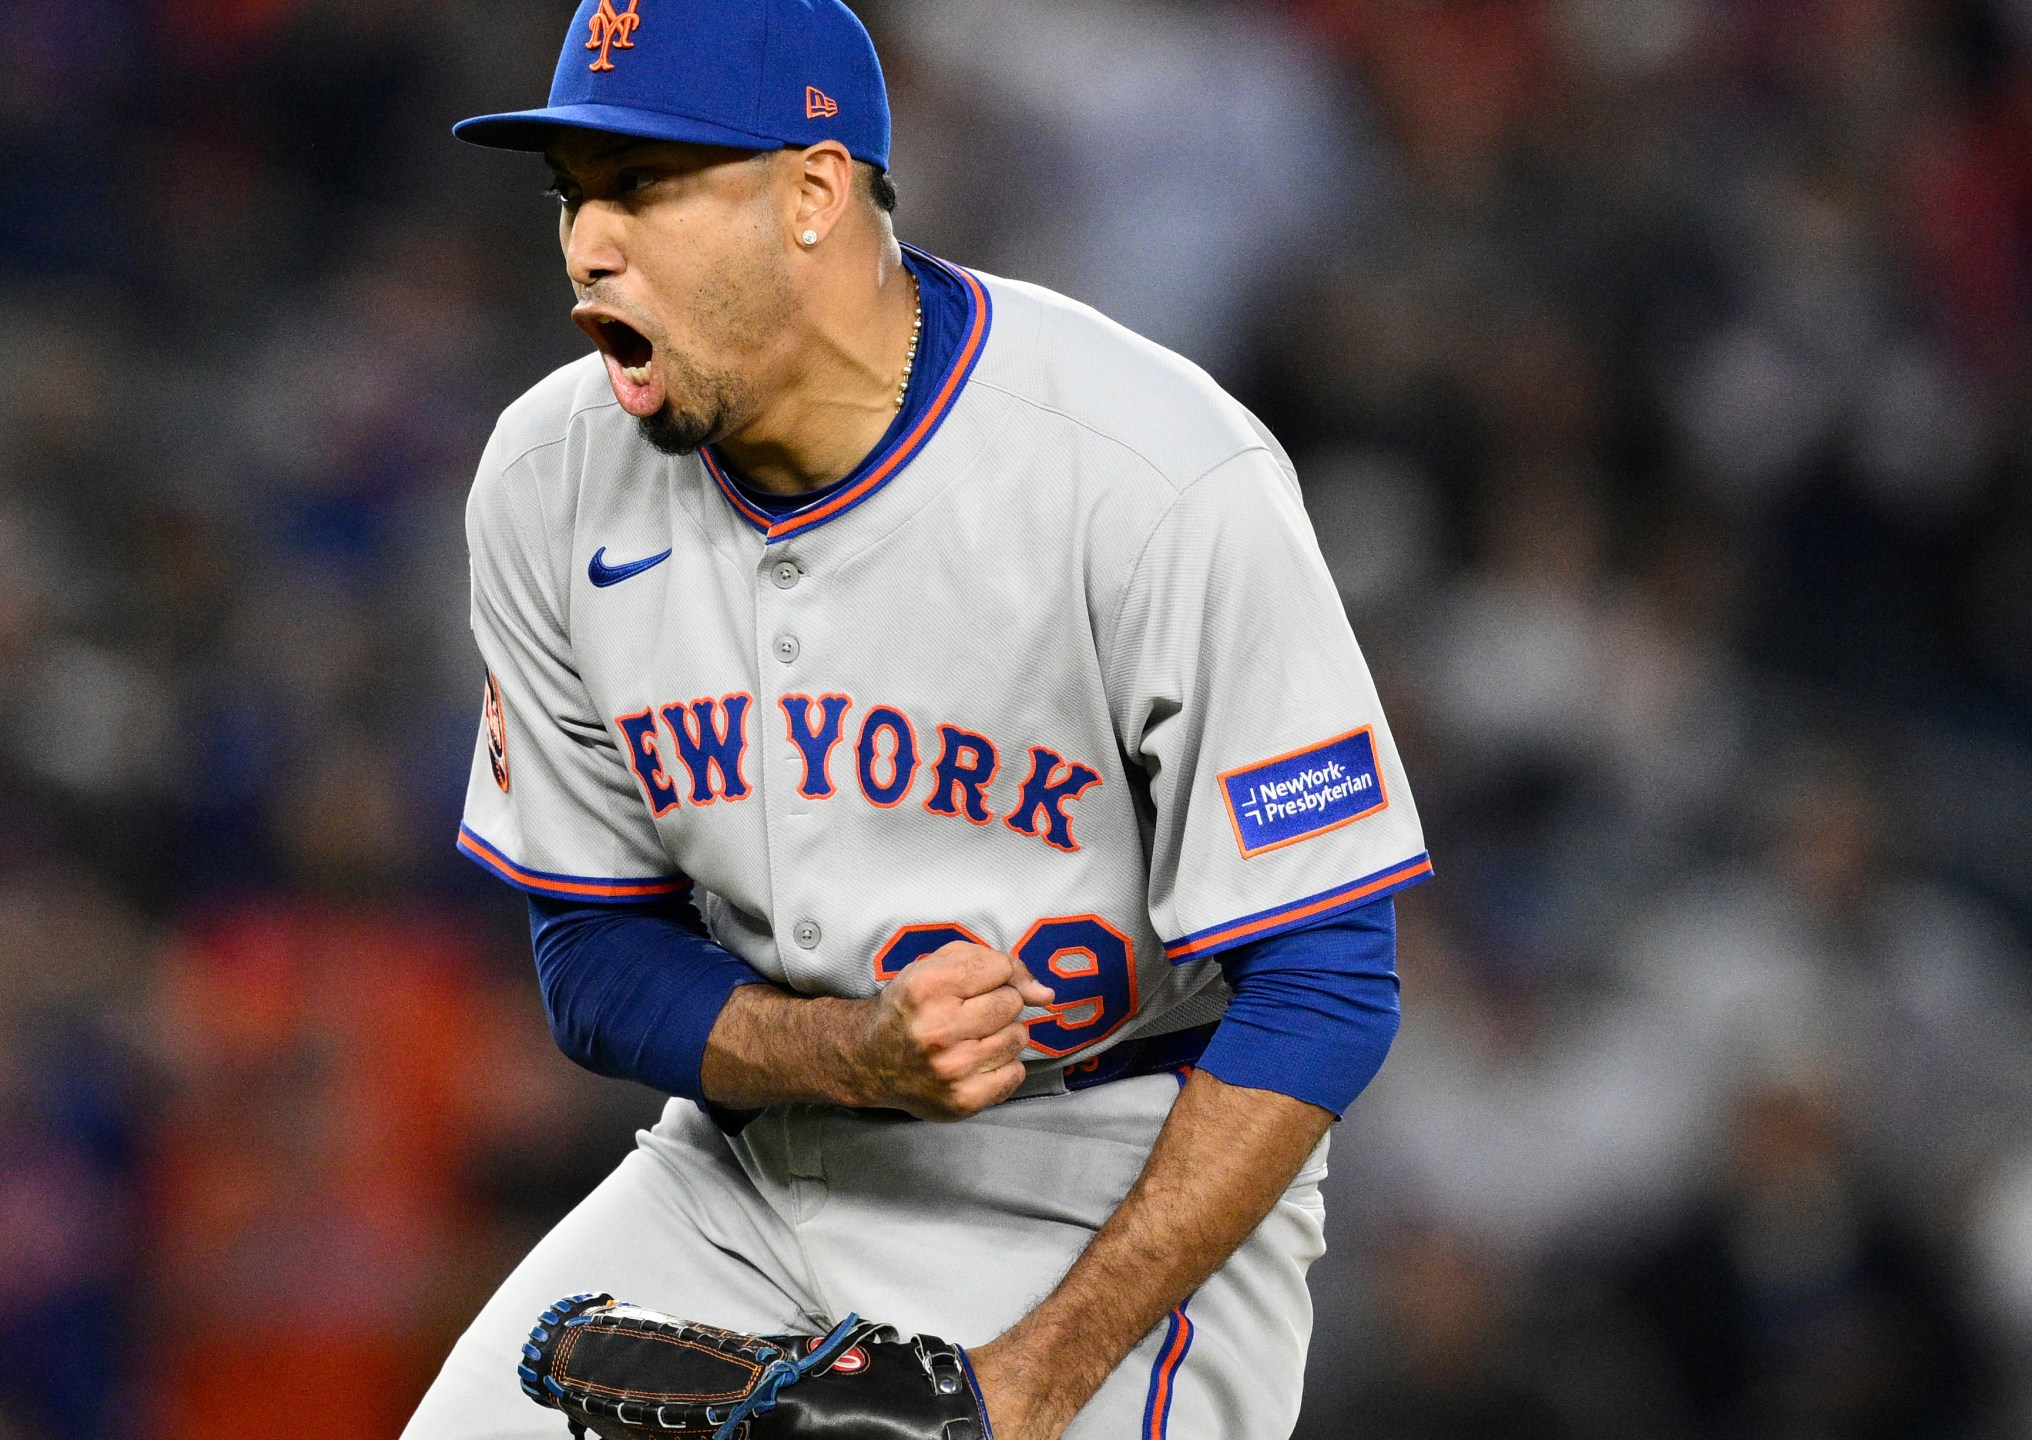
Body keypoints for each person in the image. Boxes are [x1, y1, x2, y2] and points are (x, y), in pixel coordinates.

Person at [410, 2, 1429, 1436]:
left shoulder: (1148, 476)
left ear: (816, 192)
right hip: (747, 1170)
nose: (589, 243)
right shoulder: (546, 479)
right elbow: (591, 957)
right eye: (572, 194)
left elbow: (1328, 982)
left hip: (1116, 1177)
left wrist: (1027, 1384)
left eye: (643, 187)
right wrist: (838, 1058)